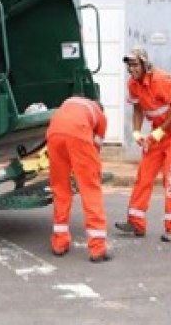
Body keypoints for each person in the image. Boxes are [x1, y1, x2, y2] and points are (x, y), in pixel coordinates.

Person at [115, 46, 171, 242]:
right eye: (129, 65)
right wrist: (136, 131)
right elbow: (137, 109)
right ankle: (136, 222)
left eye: (134, 64)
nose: (131, 69)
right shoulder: (132, 84)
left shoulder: (161, 80)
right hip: (159, 131)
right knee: (144, 174)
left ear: (144, 64)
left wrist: (159, 132)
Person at [46, 95, 111, 263]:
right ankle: (98, 248)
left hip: (53, 134)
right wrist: (83, 175)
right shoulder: (101, 117)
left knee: (60, 189)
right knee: (91, 189)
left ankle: (59, 242)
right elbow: (94, 150)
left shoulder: (71, 101)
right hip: (77, 133)